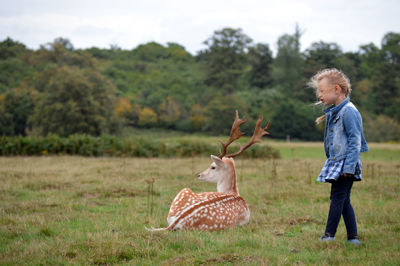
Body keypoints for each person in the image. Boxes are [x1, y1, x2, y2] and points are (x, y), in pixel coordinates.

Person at [308, 68, 369, 246]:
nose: (319, 95)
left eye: (322, 91)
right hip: (338, 162)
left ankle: (328, 236)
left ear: (336, 89)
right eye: (318, 91)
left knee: (337, 197)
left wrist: (349, 168)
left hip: (346, 163)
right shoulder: (336, 111)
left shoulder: (349, 111)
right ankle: (353, 238)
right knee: (342, 198)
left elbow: (354, 140)